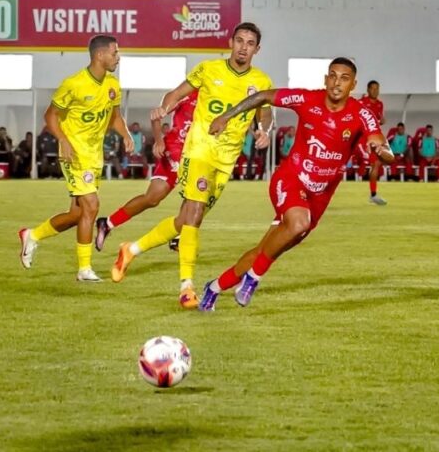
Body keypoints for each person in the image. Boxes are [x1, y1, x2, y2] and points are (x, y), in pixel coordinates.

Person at [198, 58, 395, 311]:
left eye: (344, 78)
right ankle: (253, 279)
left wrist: (381, 151)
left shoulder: (362, 113)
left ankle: (213, 288)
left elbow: (385, 149)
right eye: (333, 76)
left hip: (319, 196)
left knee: (266, 250)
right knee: (298, 223)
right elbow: (264, 96)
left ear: (353, 85)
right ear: (326, 79)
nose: (337, 83)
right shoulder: (306, 99)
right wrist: (227, 116)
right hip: (290, 179)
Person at [110, 22, 272, 308]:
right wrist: (164, 108)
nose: (243, 48)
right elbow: (174, 94)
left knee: (184, 221)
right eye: (239, 41)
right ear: (230, 42)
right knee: (194, 215)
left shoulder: (261, 81)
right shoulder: (208, 69)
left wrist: (263, 131)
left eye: (250, 44)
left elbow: (266, 112)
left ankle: (131, 249)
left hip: (226, 160)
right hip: (199, 150)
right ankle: (186, 287)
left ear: (256, 50)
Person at [16, 35, 133, 282]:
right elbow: (50, 116)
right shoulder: (74, 84)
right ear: (100, 55)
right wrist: (63, 140)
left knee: (78, 214)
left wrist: (126, 135)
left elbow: (114, 116)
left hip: (94, 154)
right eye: (115, 53)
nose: (118, 57)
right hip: (74, 153)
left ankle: (32, 235)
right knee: (92, 205)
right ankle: (84, 269)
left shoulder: (112, 84)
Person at [94, 91, 198, 252]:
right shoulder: (186, 94)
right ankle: (108, 223)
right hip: (175, 151)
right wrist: (159, 141)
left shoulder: (220, 96)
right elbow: (155, 116)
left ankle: (179, 236)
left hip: (199, 154)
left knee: (194, 196)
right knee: (154, 198)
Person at [358, 80, 387, 204]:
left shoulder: (380, 104)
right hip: (361, 139)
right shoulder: (361, 103)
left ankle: (373, 194)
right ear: (368, 90)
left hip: (374, 139)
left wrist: (381, 121)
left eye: (377, 89)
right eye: (373, 88)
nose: (375, 91)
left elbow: (377, 120)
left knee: (376, 164)